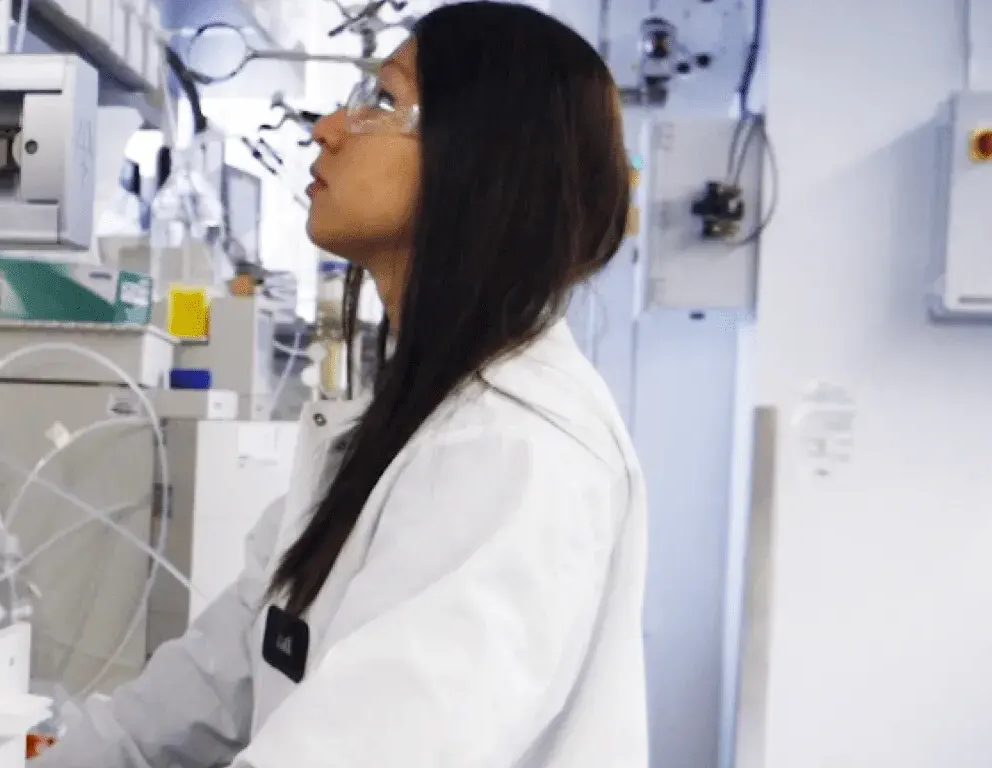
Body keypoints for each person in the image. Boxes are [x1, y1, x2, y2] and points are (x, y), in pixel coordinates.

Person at [33, 3, 648, 766]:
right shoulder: (390, 420)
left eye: (384, 102)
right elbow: (220, 679)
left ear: (481, 158)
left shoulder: (511, 448)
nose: (328, 127)